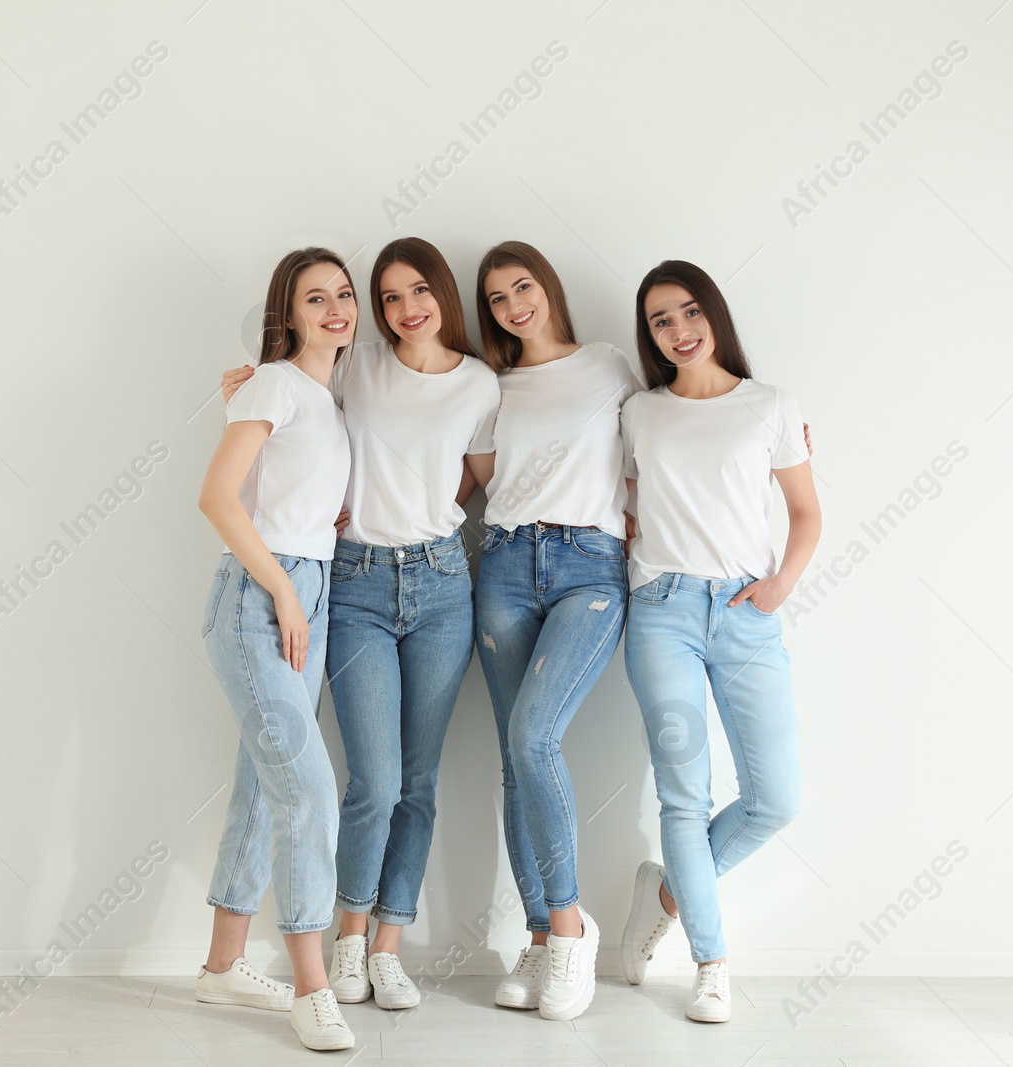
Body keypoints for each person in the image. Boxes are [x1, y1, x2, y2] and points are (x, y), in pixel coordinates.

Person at [221, 237, 501, 1011]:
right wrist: (237, 390)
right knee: (372, 780)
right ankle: (345, 936)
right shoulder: (357, 364)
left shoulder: (481, 384)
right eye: (388, 298)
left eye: (419, 291)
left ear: (442, 293)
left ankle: (387, 947)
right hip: (356, 583)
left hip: (445, 582)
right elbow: (293, 416)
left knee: (419, 782)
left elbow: (479, 484)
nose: (405, 309)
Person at [617, 260, 821, 1023]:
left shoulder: (770, 406)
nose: (679, 330)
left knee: (776, 799)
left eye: (689, 312)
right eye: (661, 321)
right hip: (662, 610)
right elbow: (623, 503)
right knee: (684, 792)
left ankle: (666, 891)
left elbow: (805, 513)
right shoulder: (639, 412)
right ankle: (710, 962)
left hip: (745, 612)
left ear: (715, 316)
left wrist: (780, 586)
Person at [464, 240, 643, 1021]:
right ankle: (539, 936)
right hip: (502, 561)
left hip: (588, 567)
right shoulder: (488, 384)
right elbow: (462, 472)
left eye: (522, 287)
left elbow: (658, 441)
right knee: (514, 759)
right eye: (498, 299)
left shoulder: (606, 364)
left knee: (536, 736)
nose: (512, 307)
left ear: (549, 287)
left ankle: (571, 930)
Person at [194, 247, 358, 1052]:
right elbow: (216, 497)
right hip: (262, 597)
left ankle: (224, 965)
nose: (334, 308)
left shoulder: (330, 399)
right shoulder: (271, 383)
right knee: (310, 791)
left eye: (343, 294)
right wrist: (285, 590)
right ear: (287, 313)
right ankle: (311, 987)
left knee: (266, 787)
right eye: (314, 297)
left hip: (312, 589)